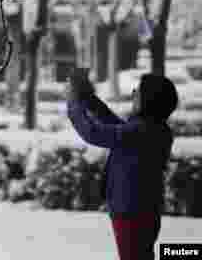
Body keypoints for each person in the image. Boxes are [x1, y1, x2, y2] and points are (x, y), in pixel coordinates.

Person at [66, 70, 178, 260]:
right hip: (140, 210)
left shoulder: (142, 131)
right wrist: (89, 99)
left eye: (138, 92)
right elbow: (114, 125)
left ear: (149, 100)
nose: (133, 95)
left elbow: (94, 133)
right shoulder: (151, 128)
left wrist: (74, 104)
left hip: (132, 212)